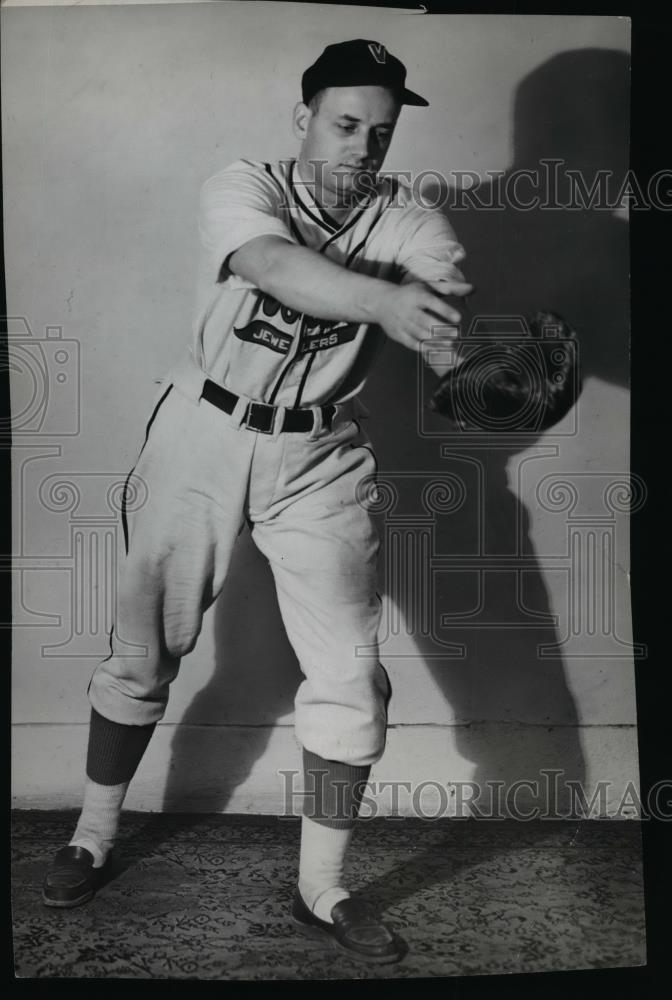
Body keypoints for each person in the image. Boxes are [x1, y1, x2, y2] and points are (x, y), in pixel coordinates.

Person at [42, 38, 472, 964]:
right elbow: (272, 264)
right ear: (303, 118)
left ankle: (323, 887)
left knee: (352, 673)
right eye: (345, 124)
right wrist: (385, 306)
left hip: (320, 449)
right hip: (203, 430)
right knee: (143, 645)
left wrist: (454, 343)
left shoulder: (412, 219)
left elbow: (437, 294)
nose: (361, 148)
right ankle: (93, 833)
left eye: (380, 133)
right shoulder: (244, 184)